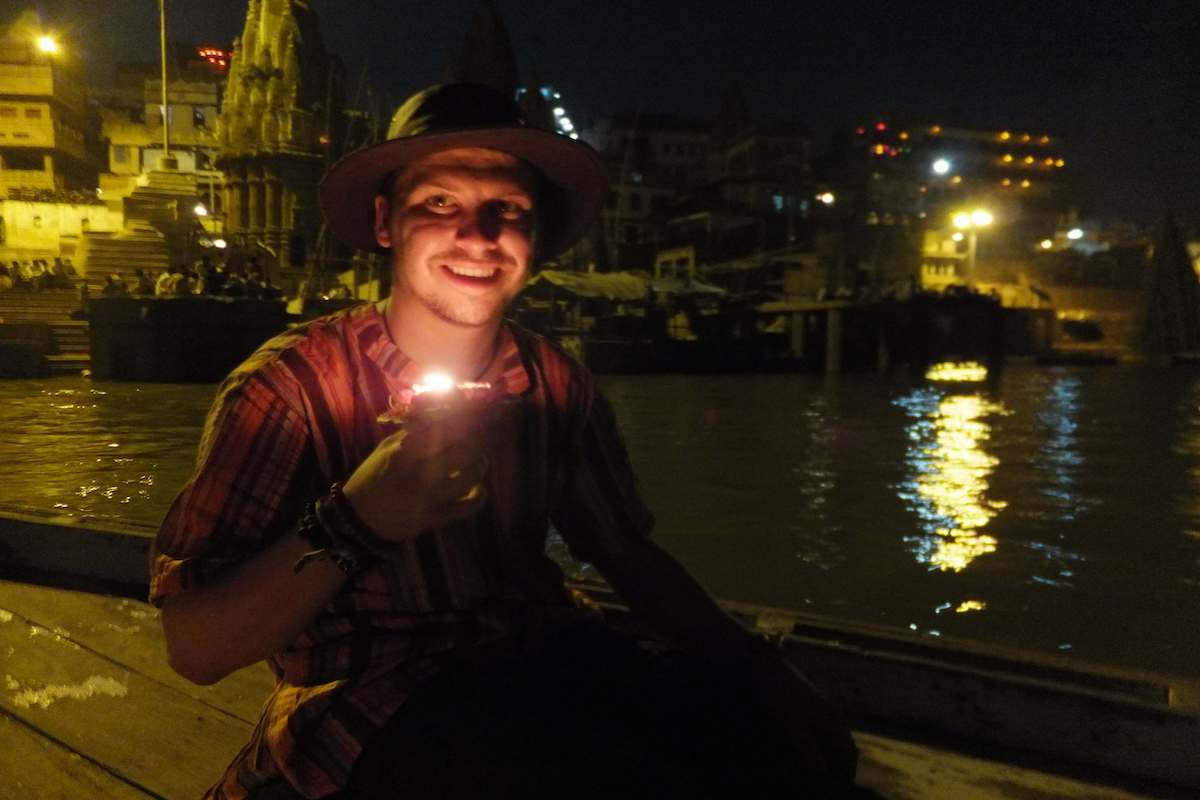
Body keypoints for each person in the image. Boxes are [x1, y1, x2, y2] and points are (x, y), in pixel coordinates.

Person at [152, 83, 857, 800]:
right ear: (385, 222)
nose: (479, 237)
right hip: (374, 703)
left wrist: (762, 668)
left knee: (795, 756)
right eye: (439, 205)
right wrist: (361, 517)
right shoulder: (289, 388)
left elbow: (626, 553)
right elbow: (197, 648)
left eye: (508, 211)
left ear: (536, 236)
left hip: (546, 658)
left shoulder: (555, 384)